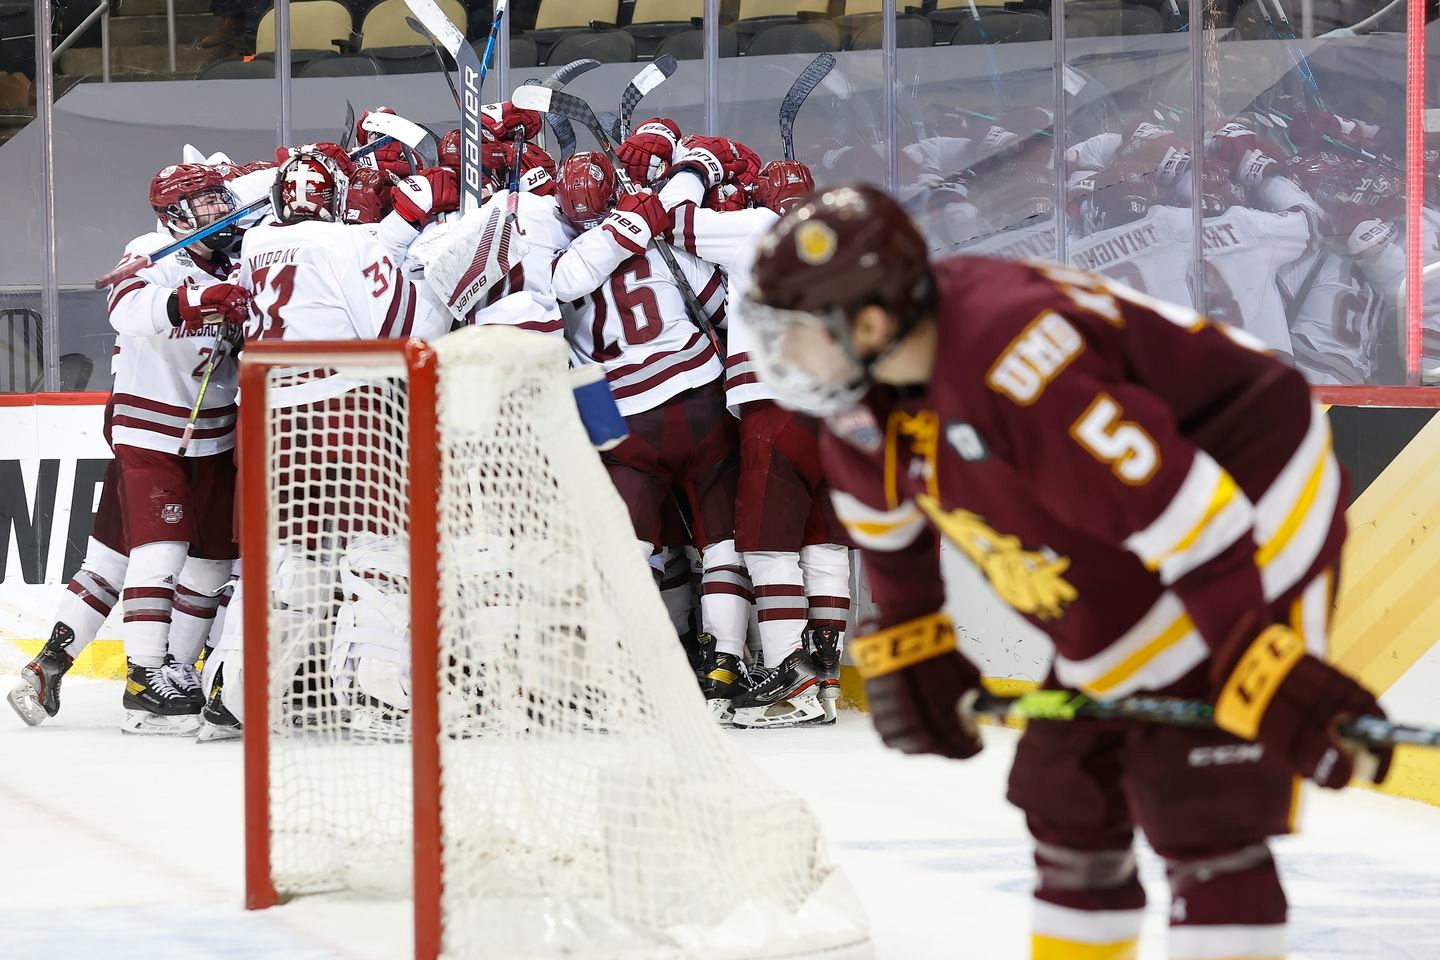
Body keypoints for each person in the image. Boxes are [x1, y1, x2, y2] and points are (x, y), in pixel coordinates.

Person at [744, 183, 1393, 960]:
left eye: (797, 332)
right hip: (1135, 517)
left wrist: (1255, 656)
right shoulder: (861, 402)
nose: (780, 355)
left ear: (871, 321)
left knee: (1203, 809)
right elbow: (893, 545)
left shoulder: (1014, 362)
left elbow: (1200, 521)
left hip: (1249, 488)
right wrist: (915, 639)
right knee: (1069, 796)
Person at [655, 149, 853, 727]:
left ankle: (787, 683)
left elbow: (673, 218)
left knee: (768, 548)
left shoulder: (757, 227)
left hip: (775, 406)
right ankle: (825, 681)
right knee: (823, 546)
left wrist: (698, 168)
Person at [551, 149, 746, 721]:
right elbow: (721, 304)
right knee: (720, 540)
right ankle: (725, 662)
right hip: (701, 399)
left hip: (630, 422)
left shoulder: (556, 263)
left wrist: (601, 434)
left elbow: (567, 346)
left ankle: (620, 671)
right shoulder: (661, 243)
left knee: (628, 551)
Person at [101, 162, 249, 734]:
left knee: (213, 557)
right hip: (151, 429)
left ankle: (179, 669)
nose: (219, 210)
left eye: (220, 199)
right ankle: (142, 675)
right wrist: (187, 303)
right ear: (174, 215)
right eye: (206, 203)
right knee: (160, 549)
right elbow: (125, 307)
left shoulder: (237, 260)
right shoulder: (151, 248)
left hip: (214, 429)